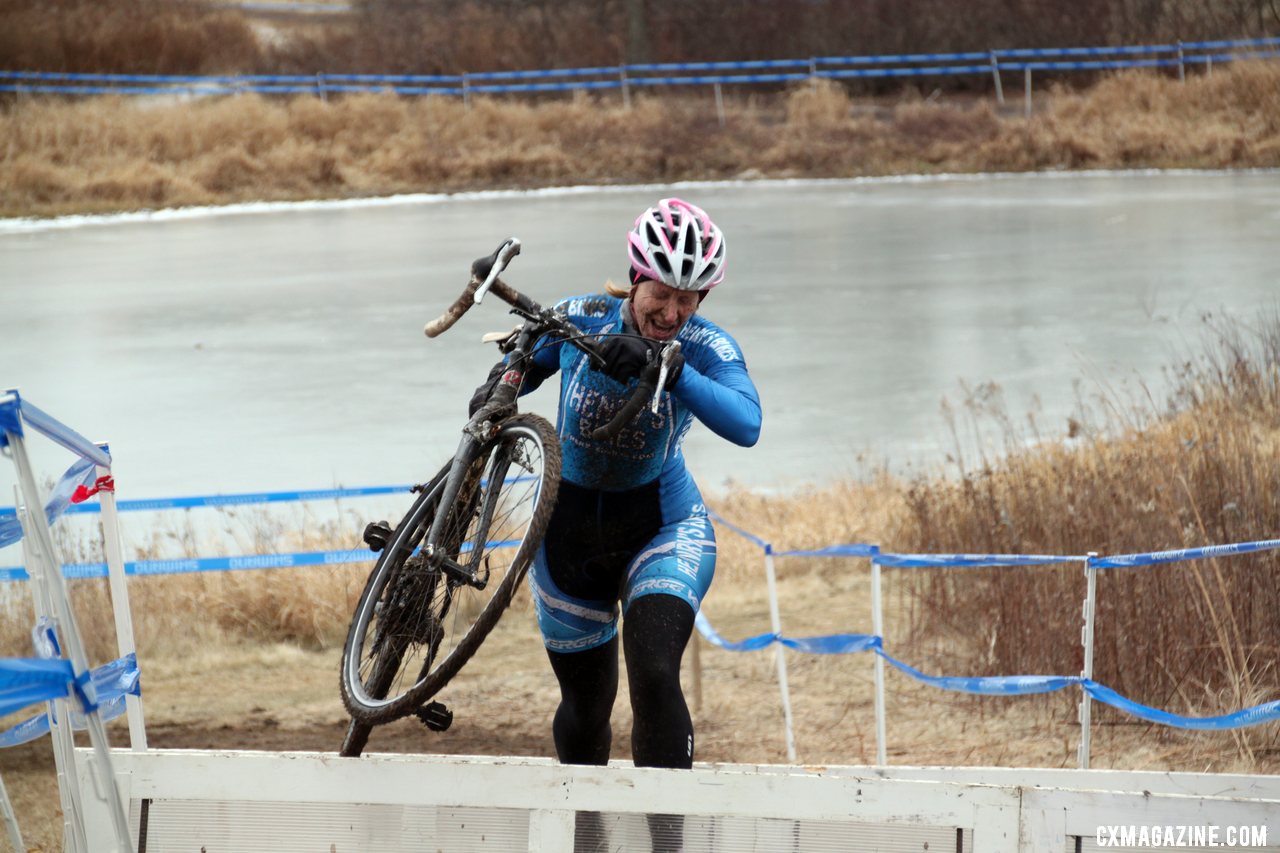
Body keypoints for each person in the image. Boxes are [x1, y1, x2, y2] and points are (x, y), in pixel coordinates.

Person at [470, 197, 760, 851]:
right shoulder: (585, 320)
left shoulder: (705, 345)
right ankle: (590, 840)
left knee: (655, 672)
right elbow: (523, 363)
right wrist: (500, 386)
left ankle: (668, 844)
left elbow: (747, 423)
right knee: (586, 707)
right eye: (663, 293)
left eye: (691, 298)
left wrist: (673, 367)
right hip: (568, 535)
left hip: (662, 525)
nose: (674, 312)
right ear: (636, 276)